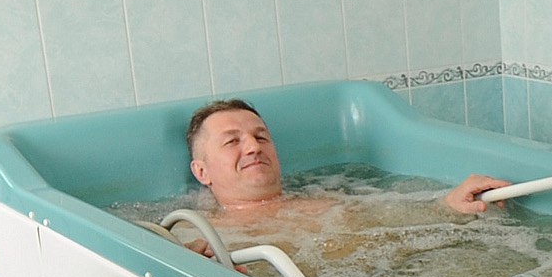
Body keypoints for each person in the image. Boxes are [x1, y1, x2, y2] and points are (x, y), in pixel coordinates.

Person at [185, 98, 509, 222]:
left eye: (261, 137)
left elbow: (396, 222)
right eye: (232, 141)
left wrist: (447, 205)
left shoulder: (325, 204)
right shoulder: (202, 238)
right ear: (202, 172)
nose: (253, 148)